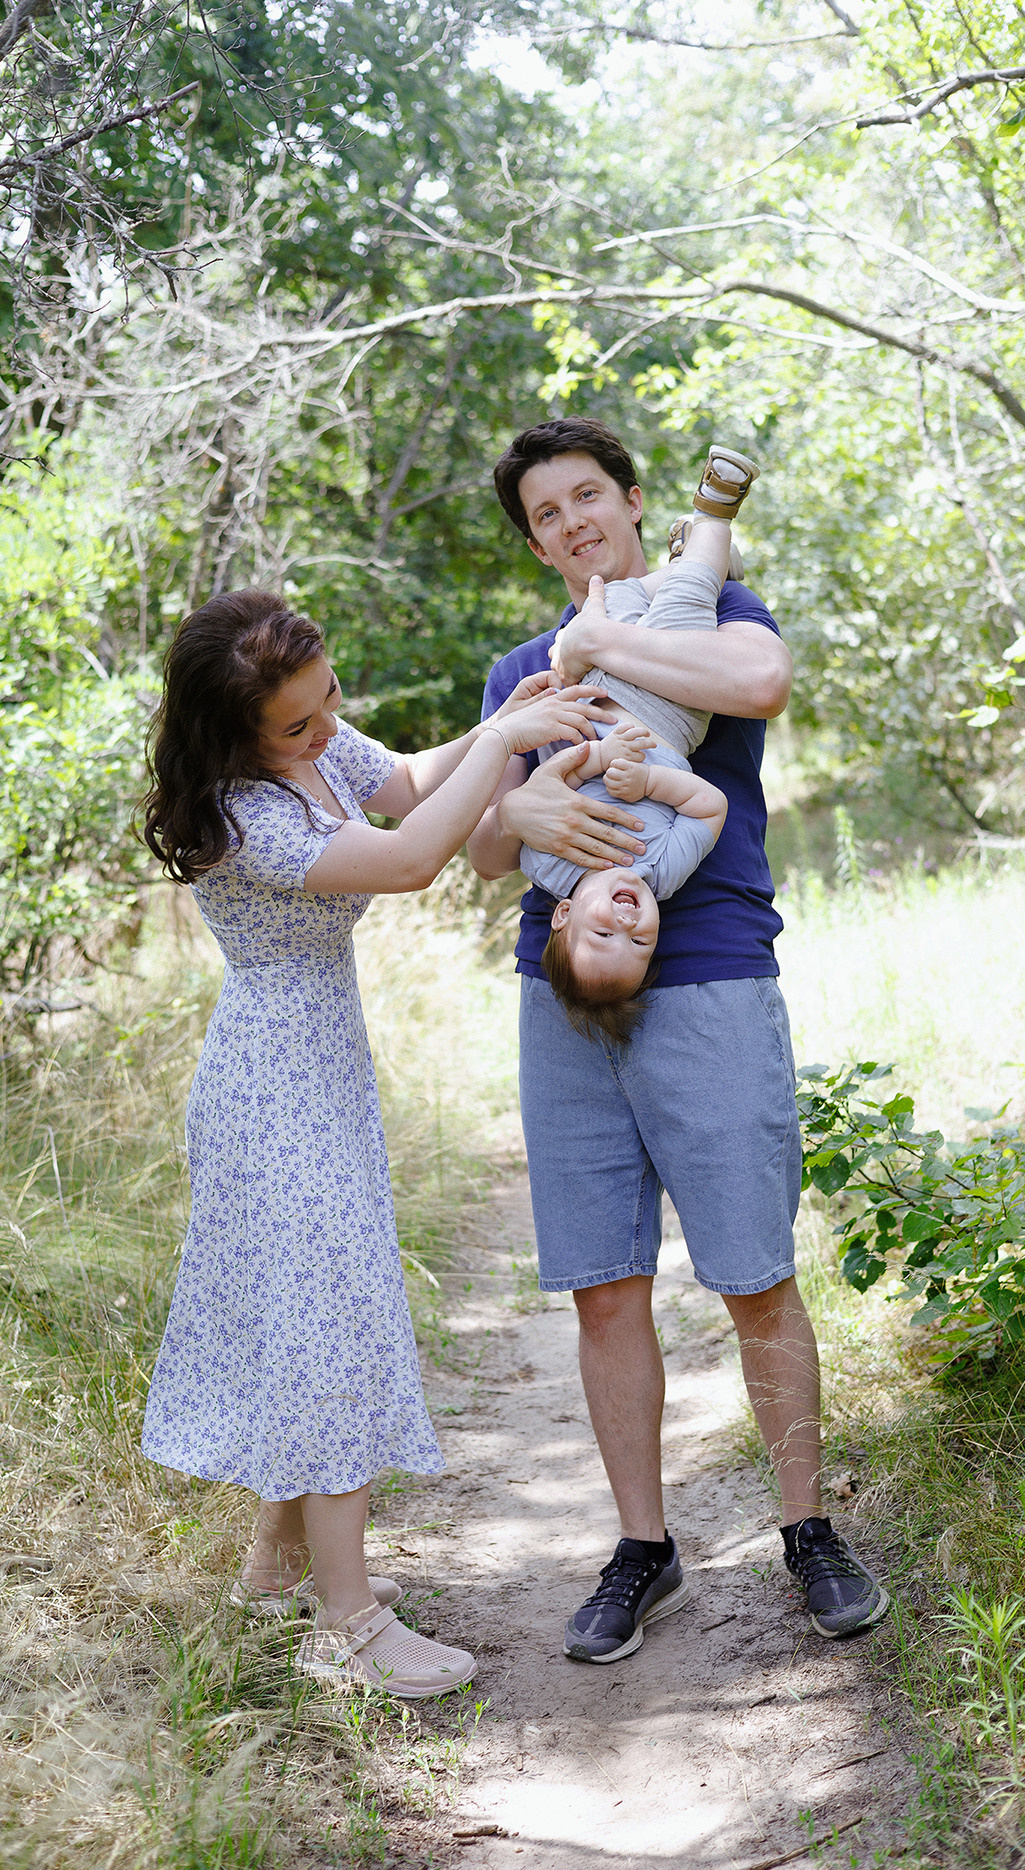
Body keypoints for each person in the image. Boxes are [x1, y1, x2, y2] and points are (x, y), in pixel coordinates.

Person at [469, 418, 889, 1658]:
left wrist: (609, 642)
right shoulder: (522, 670)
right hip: (562, 992)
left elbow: (759, 687)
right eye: (546, 515)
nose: (571, 523)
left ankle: (806, 1527)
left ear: (636, 500)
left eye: (587, 496)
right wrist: (520, 802)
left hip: (706, 977)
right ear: (537, 540)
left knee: (754, 1273)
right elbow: (488, 847)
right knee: (605, 1285)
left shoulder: (718, 607)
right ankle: (642, 1549)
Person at [140, 587, 606, 1698]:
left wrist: (513, 716)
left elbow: (401, 781)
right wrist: (502, 743)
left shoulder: (309, 737)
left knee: (317, 1319)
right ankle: (345, 1624)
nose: (323, 725)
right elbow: (407, 857)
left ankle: (276, 1565)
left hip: (319, 1068)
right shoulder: (240, 815)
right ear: (232, 735)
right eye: (298, 723)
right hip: (270, 1083)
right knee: (329, 1331)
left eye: (327, 699)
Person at [522, 445, 758, 1029]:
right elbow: (708, 807)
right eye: (639, 945)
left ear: (565, 914)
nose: (628, 927)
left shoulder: (552, 872)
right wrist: (651, 778)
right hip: (667, 712)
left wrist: (597, 758)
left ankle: (698, 561)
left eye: (604, 932)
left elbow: (545, 797)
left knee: (621, 602)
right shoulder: (661, 872)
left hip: (588, 695)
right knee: (686, 598)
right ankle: (713, 522)